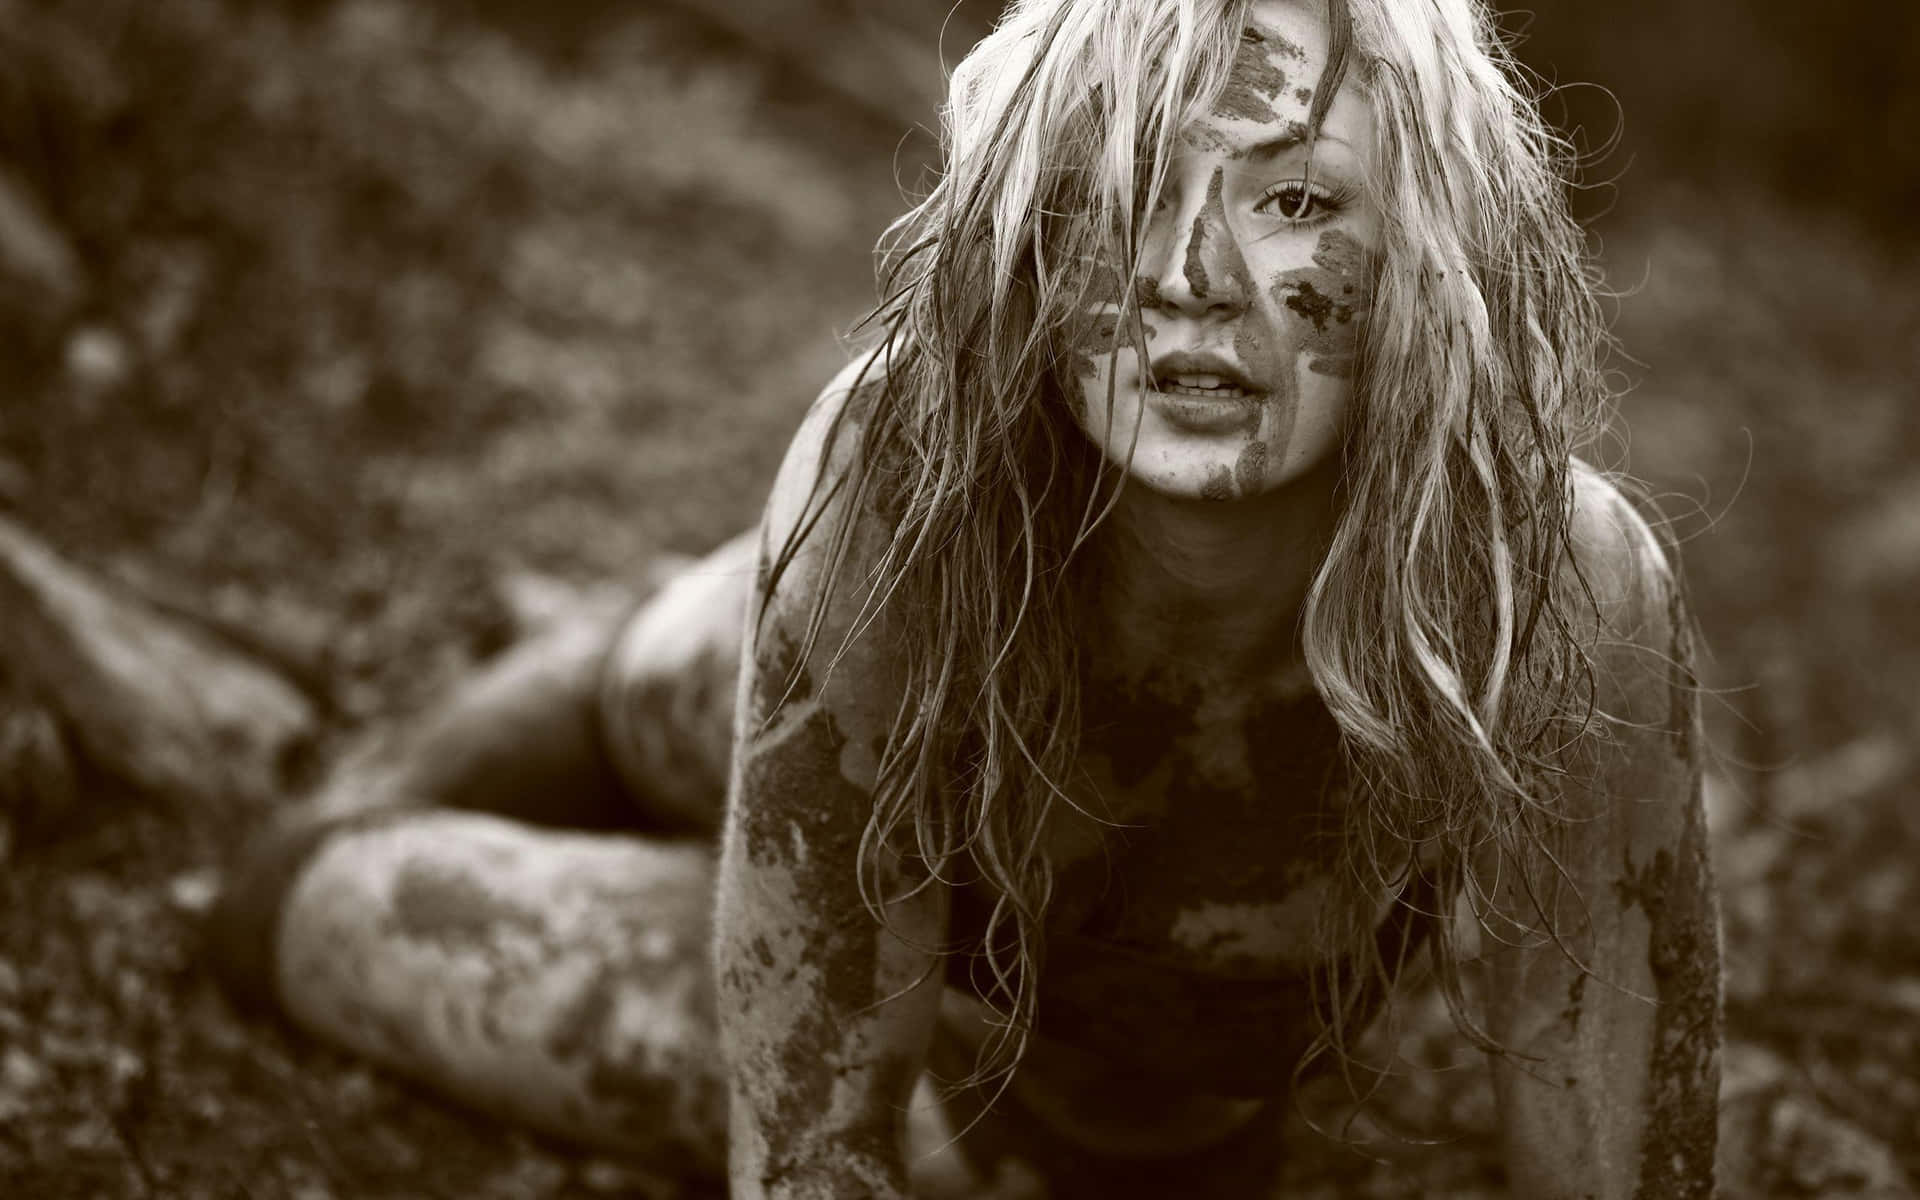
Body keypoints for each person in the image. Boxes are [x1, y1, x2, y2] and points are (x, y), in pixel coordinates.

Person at [207, 0, 1722, 1196]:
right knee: (351, 857)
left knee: (328, 916)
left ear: (1428, 256)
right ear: (1028, 236)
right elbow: (805, 1160)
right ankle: (617, 670)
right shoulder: (903, 474)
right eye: (1121, 191)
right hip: (831, 664)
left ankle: (739, 838)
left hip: (1004, 1088)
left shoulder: (1556, 589)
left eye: (1292, 198)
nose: (1188, 274)